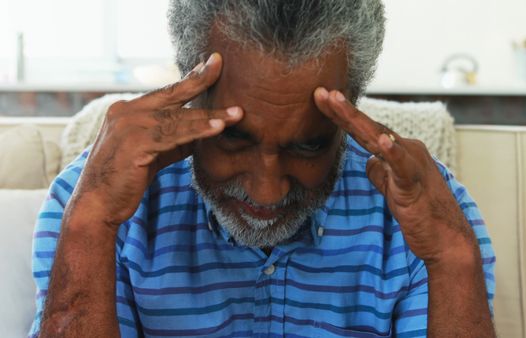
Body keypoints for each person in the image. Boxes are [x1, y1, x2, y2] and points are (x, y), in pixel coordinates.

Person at [31, 1, 496, 337]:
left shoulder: (428, 212)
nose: (268, 192)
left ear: (351, 109)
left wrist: (452, 260)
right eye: (234, 136)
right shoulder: (89, 200)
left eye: (309, 144)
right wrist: (91, 222)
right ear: (189, 90)